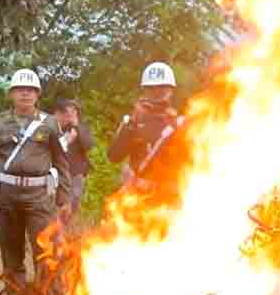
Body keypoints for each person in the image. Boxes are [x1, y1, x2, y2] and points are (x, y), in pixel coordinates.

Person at [0, 69, 71, 289]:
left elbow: (61, 162)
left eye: (30, 90)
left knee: (45, 252)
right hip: (6, 197)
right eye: (20, 90)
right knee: (11, 253)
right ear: (11, 94)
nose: (25, 94)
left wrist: (64, 198)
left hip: (39, 197)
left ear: (37, 95)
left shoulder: (50, 124)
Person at [107, 62, 183, 190]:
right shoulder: (134, 120)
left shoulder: (177, 123)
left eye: (162, 87)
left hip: (164, 195)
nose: (156, 92)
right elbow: (114, 156)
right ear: (145, 90)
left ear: (171, 90)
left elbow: (185, 164)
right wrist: (129, 128)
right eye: (151, 88)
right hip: (134, 192)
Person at [53, 98, 94, 226]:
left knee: (72, 207)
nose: (69, 115)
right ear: (57, 113)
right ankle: (53, 235)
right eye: (65, 112)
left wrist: (76, 125)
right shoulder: (51, 129)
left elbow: (88, 145)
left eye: (73, 111)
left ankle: (66, 233)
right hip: (55, 175)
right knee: (54, 209)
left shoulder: (80, 128)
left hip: (75, 175)